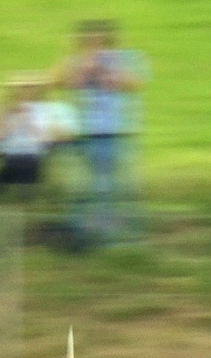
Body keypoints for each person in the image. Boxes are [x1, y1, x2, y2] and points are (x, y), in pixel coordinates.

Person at [54, 20, 147, 245]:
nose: (96, 45)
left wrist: (109, 67)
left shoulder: (127, 59)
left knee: (115, 186)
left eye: (101, 41)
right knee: (84, 185)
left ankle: (116, 237)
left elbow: (136, 84)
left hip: (115, 131)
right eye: (90, 41)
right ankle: (83, 234)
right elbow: (59, 82)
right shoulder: (75, 62)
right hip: (83, 132)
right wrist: (85, 65)